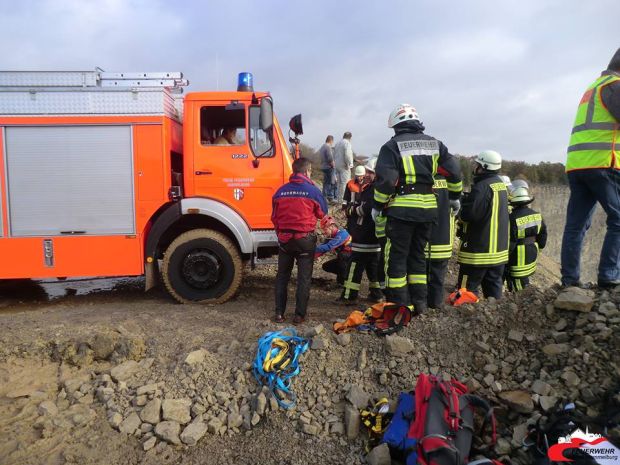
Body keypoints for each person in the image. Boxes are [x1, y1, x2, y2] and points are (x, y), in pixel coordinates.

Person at [373, 104, 462, 313]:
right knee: (418, 257)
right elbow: (455, 172)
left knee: (397, 258)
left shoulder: (391, 146)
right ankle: (420, 304)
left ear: (396, 125)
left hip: (402, 210)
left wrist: (378, 205)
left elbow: (386, 181)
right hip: (428, 210)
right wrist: (455, 197)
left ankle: (399, 306)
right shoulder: (435, 144)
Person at [561, 48, 620, 289]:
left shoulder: (594, 86)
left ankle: (570, 280)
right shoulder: (614, 85)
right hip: (602, 163)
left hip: (578, 165)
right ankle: (608, 276)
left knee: (576, 225)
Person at [271, 158, 327, 324]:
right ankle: (299, 315)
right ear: (307, 171)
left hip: (285, 241)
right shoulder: (313, 191)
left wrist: (281, 234)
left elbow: (274, 218)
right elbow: (323, 213)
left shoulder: (280, 192)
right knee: (303, 278)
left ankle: (279, 314)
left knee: (282, 277)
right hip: (305, 240)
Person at [456, 150, 510, 299]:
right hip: (498, 254)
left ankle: (464, 321)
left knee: (465, 293)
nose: (474, 167)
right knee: (494, 296)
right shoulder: (500, 185)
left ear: (483, 167)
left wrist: (460, 208)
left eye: (477, 164)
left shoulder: (482, 187)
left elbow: (469, 215)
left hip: (478, 254)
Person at [339, 160, 383, 304]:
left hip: (364, 234)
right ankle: (376, 294)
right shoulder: (379, 187)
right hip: (375, 236)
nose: (367, 175)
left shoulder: (373, 188)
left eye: (370, 172)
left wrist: (352, 211)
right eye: (367, 172)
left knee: (354, 265)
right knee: (373, 266)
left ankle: (348, 296)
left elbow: (367, 207)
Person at [506, 182, 548, 291]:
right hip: (532, 251)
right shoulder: (537, 215)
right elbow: (543, 234)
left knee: (518, 285)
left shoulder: (511, 218)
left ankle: (521, 302)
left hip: (518, 255)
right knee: (525, 278)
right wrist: (539, 248)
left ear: (513, 203)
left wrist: (505, 257)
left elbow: (511, 241)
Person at [426, 172, 459, 309]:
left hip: (425, 242)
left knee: (420, 278)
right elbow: (457, 209)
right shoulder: (451, 183)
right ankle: (436, 306)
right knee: (438, 278)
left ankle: (421, 310)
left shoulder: (424, 178)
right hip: (444, 240)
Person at [316, 216, 352, 285]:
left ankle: (344, 280)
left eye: (325, 229)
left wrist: (311, 249)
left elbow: (328, 247)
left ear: (331, 226)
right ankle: (343, 277)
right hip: (345, 259)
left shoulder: (342, 234)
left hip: (352, 258)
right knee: (326, 266)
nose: (324, 232)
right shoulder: (331, 236)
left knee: (342, 255)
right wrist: (310, 256)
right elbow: (322, 250)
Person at [334, 132, 354, 202]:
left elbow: (334, 154)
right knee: (345, 183)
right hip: (344, 165)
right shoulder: (347, 143)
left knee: (339, 183)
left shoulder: (337, 143)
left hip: (337, 165)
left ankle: (339, 200)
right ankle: (343, 201)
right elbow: (348, 154)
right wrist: (350, 164)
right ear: (350, 137)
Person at [319, 135, 336, 203]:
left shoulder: (322, 147)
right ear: (331, 140)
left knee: (325, 183)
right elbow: (330, 158)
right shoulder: (328, 147)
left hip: (323, 166)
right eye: (332, 141)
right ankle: (330, 197)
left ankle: (324, 197)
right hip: (329, 167)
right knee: (331, 182)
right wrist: (333, 165)